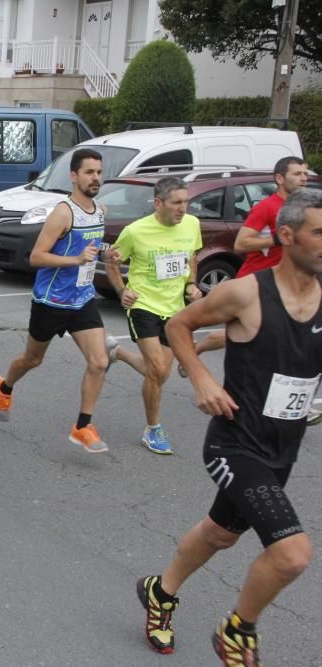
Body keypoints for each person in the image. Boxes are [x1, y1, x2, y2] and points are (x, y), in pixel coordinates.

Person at [137, 188, 322, 666]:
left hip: (284, 445)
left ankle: (161, 591)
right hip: (235, 444)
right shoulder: (246, 290)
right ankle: (238, 630)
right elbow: (178, 325)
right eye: (319, 232)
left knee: (221, 532)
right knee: (291, 554)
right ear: (286, 235)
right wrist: (201, 380)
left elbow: (282, 346)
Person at [0, 148, 120, 454]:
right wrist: (75, 259)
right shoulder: (63, 212)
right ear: (74, 177)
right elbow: (36, 256)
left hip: (82, 299)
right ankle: (4, 386)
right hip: (51, 300)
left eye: (99, 172)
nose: (96, 178)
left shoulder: (100, 211)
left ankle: (83, 426)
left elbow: (90, 244)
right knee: (32, 359)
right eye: (89, 172)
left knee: (99, 361)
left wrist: (105, 253)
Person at [179, 156, 310, 373]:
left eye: (305, 173)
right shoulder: (267, 208)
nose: (304, 178)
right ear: (279, 178)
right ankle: (197, 348)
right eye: (297, 174)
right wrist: (277, 239)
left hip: (286, 283)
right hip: (256, 281)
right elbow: (241, 243)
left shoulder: (304, 209)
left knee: (273, 333)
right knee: (254, 331)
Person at [102, 176, 204, 454]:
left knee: (157, 373)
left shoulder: (192, 225)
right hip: (144, 305)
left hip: (175, 309)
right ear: (158, 203)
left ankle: (118, 353)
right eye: (176, 203)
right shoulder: (136, 231)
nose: (183, 209)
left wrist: (191, 284)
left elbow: (192, 256)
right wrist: (122, 290)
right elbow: (111, 259)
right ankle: (152, 429)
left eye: (186, 202)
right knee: (158, 370)